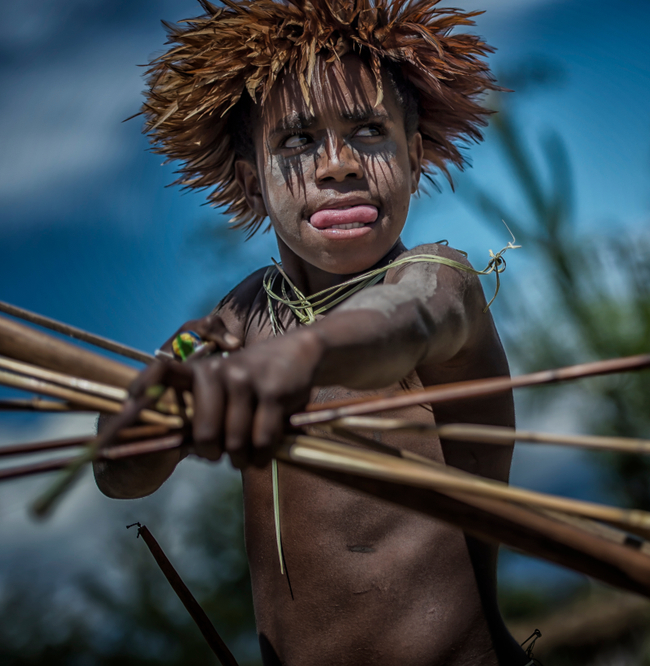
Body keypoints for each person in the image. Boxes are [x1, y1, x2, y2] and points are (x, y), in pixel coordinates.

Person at [93, 1, 531, 665]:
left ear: (413, 157)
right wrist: (149, 423)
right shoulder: (232, 321)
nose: (338, 165)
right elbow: (118, 475)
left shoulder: (441, 281)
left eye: (369, 132)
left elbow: (400, 322)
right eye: (297, 141)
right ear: (253, 180)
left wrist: (303, 353)